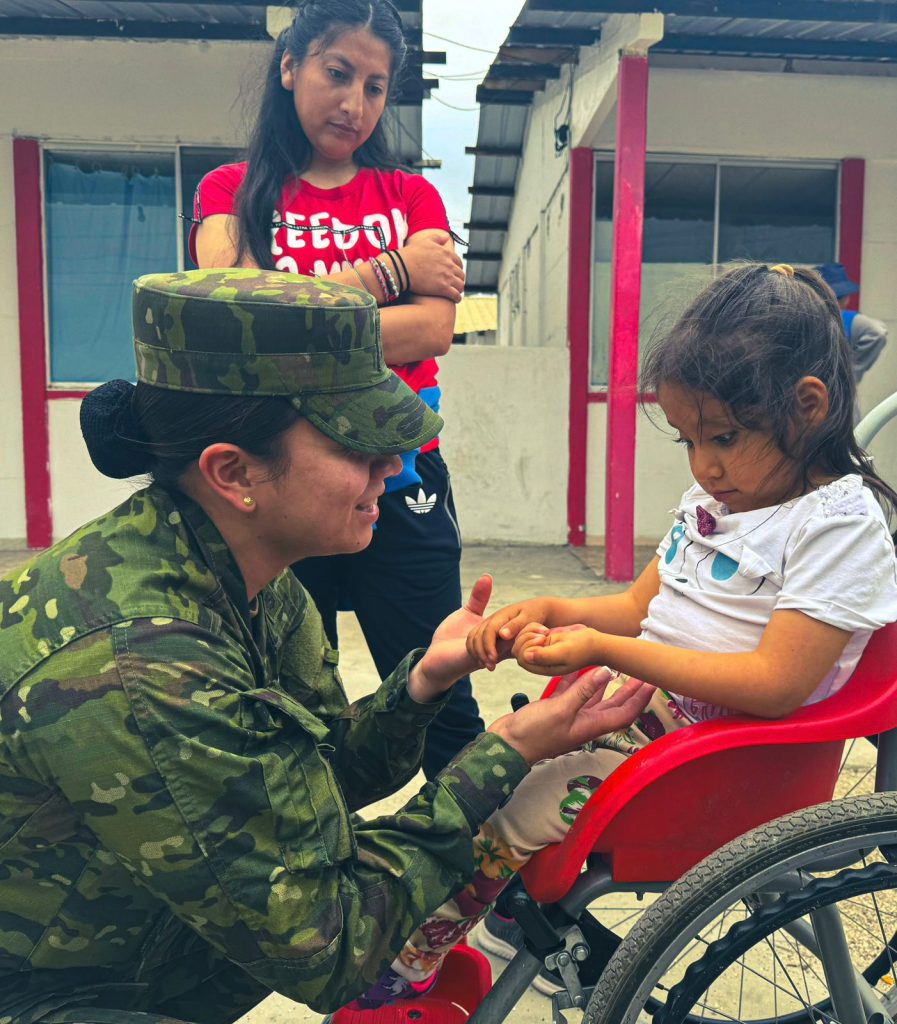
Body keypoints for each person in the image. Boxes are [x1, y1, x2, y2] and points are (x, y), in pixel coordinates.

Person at [0, 267, 655, 1024]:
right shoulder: (143, 665)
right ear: (233, 472)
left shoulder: (248, 572)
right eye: (361, 444)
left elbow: (308, 785)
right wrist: (502, 754)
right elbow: (331, 943)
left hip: (146, 956)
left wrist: (420, 689)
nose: (397, 467)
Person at [346, 263, 897, 1009]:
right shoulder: (717, 498)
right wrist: (552, 609)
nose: (703, 466)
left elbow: (777, 684)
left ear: (806, 407)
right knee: (496, 754)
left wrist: (603, 651)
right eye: (687, 442)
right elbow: (643, 608)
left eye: (723, 438)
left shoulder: (837, 525)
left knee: (524, 801)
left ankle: (413, 958)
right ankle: (477, 923)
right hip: (659, 723)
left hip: (736, 763)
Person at [190, 0, 481, 780]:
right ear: (290, 68)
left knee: (437, 693)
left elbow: (430, 333)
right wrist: (389, 276)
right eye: (337, 73)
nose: (355, 103)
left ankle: (502, 884)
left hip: (400, 475)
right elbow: (236, 314)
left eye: (377, 86)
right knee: (285, 699)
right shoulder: (230, 188)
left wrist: (290, 315)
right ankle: (311, 875)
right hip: (279, 479)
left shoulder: (409, 196)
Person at [815, 262, 888, 389]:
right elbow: (878, 332)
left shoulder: (807, 318)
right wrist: (852, 371)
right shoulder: (848, 320)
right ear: (846, 298)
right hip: (840, 395)